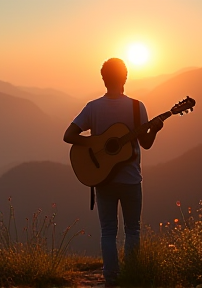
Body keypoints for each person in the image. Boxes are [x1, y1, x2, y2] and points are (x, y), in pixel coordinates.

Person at [63, 58, 163, 286]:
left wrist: (93, 144)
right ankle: (132, 277)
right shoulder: (137, 107)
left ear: (104, 79)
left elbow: (68, 135)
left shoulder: (93, 107)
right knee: (133, 230)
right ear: (125, 78)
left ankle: (111, 279)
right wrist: (154, 130)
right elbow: (146, 143)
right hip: (130, 180)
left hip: (103, 180)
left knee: (108, 231)